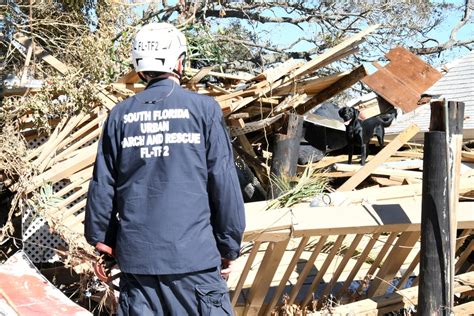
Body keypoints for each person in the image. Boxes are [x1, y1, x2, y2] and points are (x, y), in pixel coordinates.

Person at [84, 22, 246, 315]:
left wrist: (103, 241)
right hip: (195, 262)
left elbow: (102, 185)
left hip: (138, 266)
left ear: (138, 63)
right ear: (179, 61)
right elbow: (223, 182)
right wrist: (228, 246)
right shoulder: (203, 110)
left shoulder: (120, 116)